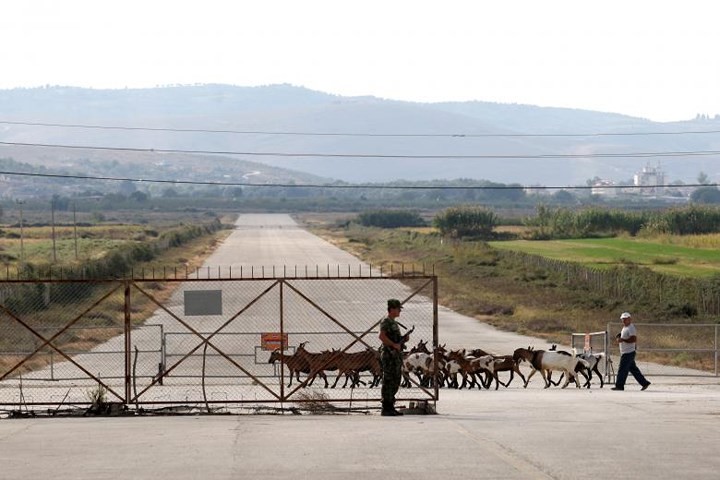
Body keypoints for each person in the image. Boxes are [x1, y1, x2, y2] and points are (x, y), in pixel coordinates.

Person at [378, 298, 410, 416]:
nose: (399, 311)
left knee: (396, 379)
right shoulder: (386, 321)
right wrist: (393, 345)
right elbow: (382, 336)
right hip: (388, 354)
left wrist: (403, 340)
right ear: (391, 309)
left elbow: (395, 339)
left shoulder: (393, 322)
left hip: (395, 355)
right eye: (398, 309)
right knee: (388, 380)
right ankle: (386, 407)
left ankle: (390, 406)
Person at [612, 312, 651, 391]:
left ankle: (619, 386)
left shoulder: (630, 327)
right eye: (623, 319)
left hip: (628, 352)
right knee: (633, 369)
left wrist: (623, 339)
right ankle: (644, 383)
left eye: (626, 319)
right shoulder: (625, 328)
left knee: (622, 369)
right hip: (626, 352)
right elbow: (626, 337)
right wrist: (620, 337)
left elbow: (633, 339)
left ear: (630, 319)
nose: (624, 320)